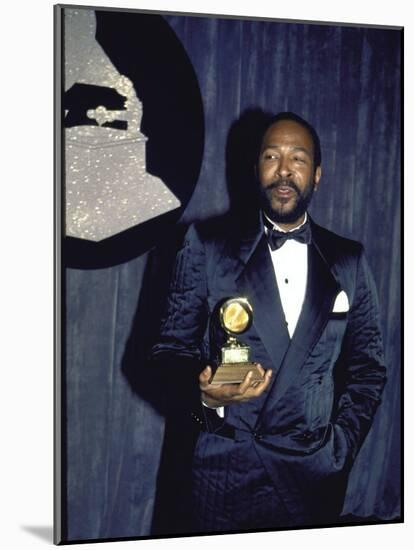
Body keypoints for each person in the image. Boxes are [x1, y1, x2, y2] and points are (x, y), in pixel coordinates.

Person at [150, 111, 387, 533]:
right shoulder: (208, 244)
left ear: (316, 174)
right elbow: (169, 353)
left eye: (298, 158)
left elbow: (368, 369)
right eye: (270, 156)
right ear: (255, 169)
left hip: (311, 476)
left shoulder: (349, 259)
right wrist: (203, 394)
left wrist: (341, 444)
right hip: (222, 473)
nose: (283, 170)